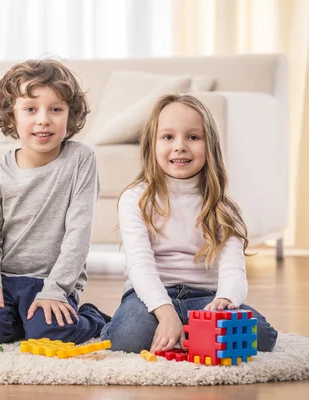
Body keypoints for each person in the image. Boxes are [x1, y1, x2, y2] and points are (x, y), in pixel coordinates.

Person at [100, 94, 278, 353]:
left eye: (193, 137)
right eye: (168, 137)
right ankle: (108, 322)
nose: (180, 146)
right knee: (127, 339)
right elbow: (140, 266)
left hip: (206, 297)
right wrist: (166, 313)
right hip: (150, 296)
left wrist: (225, 300)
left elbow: (233, 270)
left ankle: (185, 331)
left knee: (262, 337)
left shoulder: (224, 207)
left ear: (210, 146)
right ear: (152, 144)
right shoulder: (135, 198)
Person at [0, 59, 109, 346]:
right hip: (6, 279)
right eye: (30, 109)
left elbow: (78, 234)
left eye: (56, 109)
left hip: (52, 281)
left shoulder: (81, 159)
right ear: (12, 117)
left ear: (70, 116)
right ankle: (22, 320)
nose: (43, 119)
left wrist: (56, 290)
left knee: (50, 332)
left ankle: (90, 316)